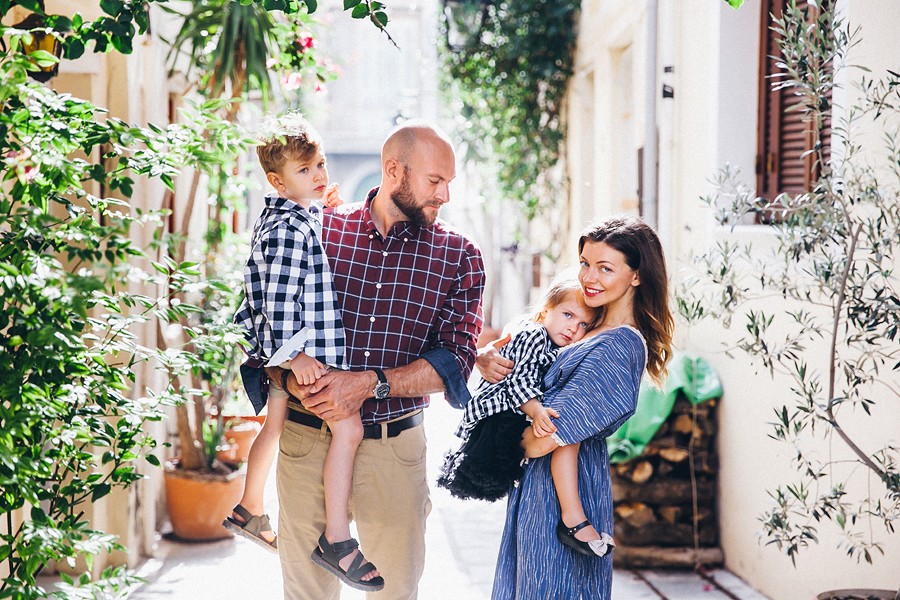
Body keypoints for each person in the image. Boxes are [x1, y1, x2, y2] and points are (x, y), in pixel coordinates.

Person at [258, 119, 485, 600]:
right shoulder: (317, 229)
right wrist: (291, 378)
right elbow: (263, 315)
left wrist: (369, 383)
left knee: (393, 593)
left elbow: (456, 360)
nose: (444, 195)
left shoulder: (460, 256)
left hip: (392, 452)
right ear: (393, 171)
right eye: (435, 181)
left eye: (449, 183)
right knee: (306, 595)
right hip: (305, 441)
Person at [229, 113, 386, 590]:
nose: (318, 175)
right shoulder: (286, 229)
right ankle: (337, 540)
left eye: (319, 164)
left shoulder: (294, 215)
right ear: (278, 180)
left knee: (274, 424)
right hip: (300, 352)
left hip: (286, 354)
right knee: (350, 427)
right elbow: (277, 297)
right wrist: (292, 353)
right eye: (305, 170)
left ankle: (249, 507)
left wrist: (329, 209)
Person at [481, 217, 674, 599]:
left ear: (636, 276)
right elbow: (523, 353)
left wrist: (493, 435)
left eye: (606, 268)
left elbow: (543, 440)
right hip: (538, 489)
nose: (590, 277)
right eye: (586, 263)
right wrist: (491, 358)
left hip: (562, 498)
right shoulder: (587, 324)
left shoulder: (620, 346)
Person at [438, 277, 610, 549]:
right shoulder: (534, 335)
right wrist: (537, 410)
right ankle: (573, 517)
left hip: (510, 413)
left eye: (583, 325)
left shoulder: (554, 344)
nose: (572, 327)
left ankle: (572, 516)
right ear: (545, 311)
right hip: (498, 415)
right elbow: (520, 380)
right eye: (567, 315)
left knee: (566, 438)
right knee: (564, 435)